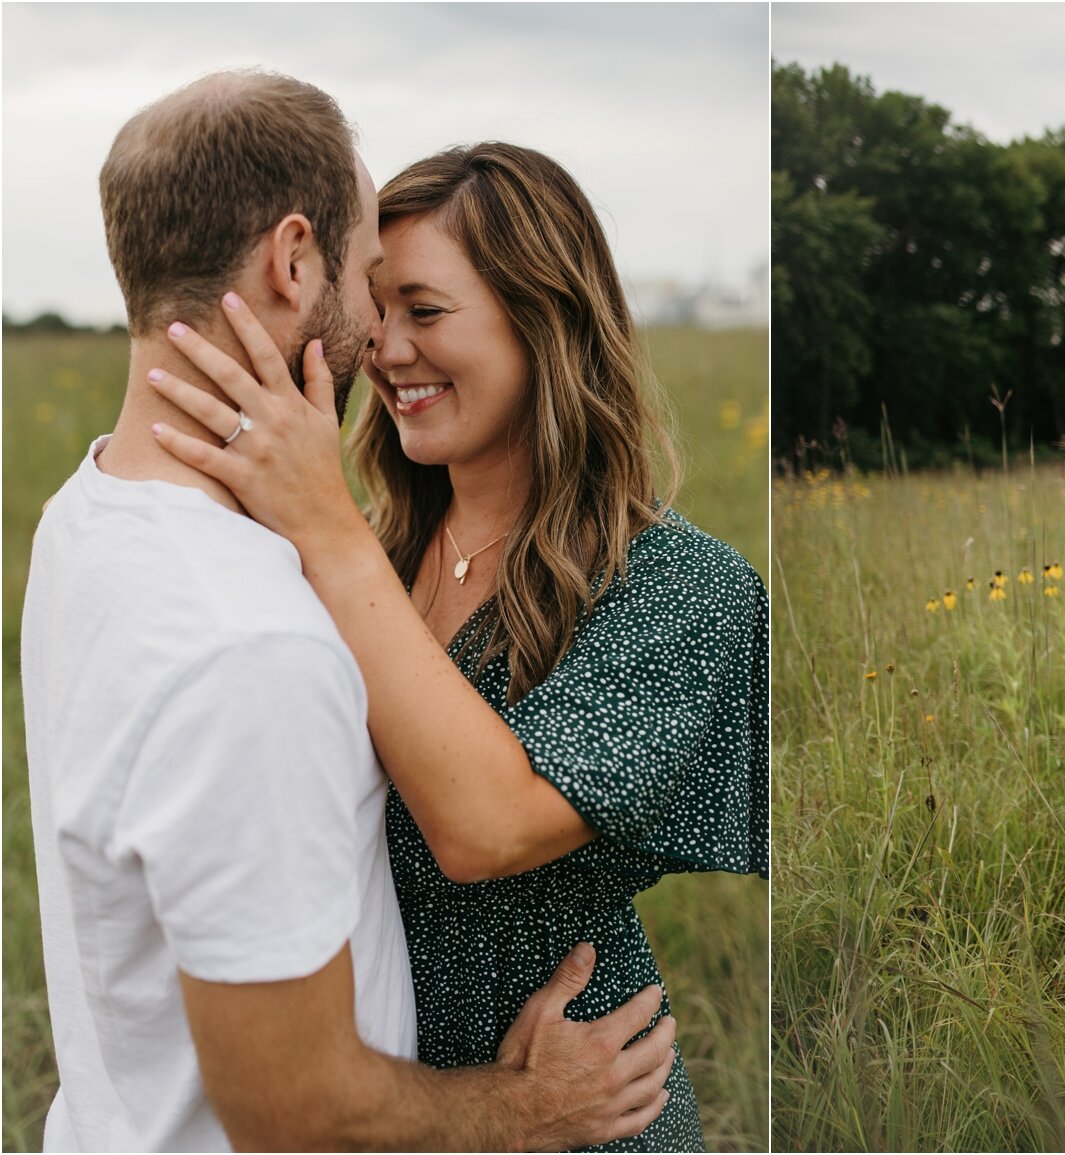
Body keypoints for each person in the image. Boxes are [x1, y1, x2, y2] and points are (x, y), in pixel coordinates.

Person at [20, 70, 674, 1151]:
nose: (379, 326)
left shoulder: (86, 511)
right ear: (291, 261)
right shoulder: (253, 645)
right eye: (373, 278)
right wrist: (527, 1108)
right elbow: (296, 1114)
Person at [144, 141, 769, 1149]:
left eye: (425, 312)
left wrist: (324, 530)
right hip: (372, 1110)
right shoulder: (376, 554)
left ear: (546, 322)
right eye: (375, 307)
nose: (385, 350)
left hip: (575, 1106)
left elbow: (484, 828)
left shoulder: (685, 589)